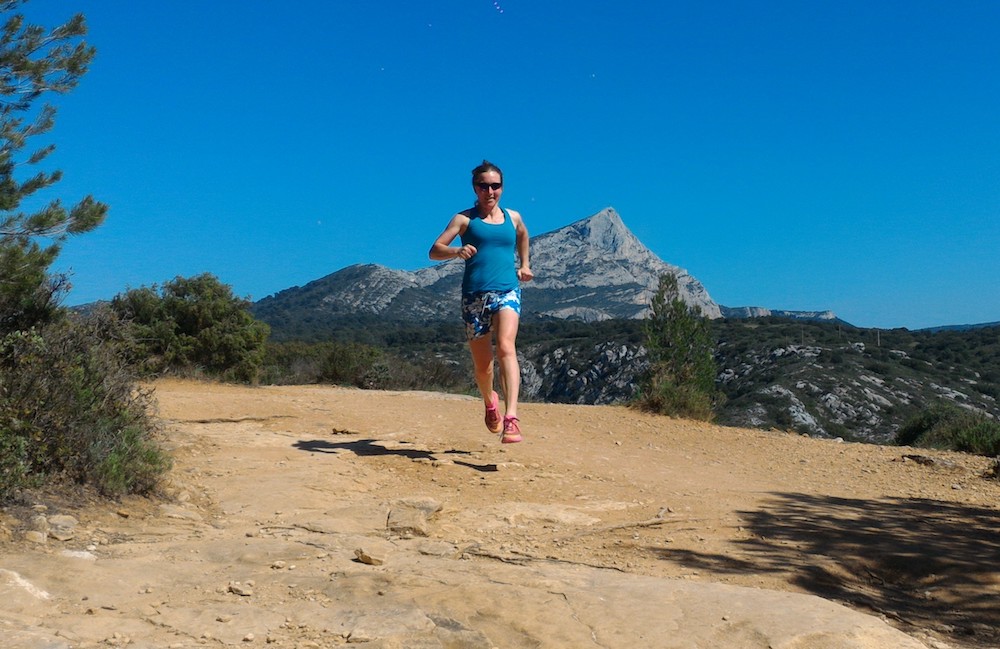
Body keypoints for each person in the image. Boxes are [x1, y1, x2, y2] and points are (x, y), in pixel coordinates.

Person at [429, 160, 533, 443]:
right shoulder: (463, 220)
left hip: (507, 292)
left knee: (506, 348)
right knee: (483, 366)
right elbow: (434, 251)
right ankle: (490, 402)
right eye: (484, 186)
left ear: (502, 187)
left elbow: (523, 234)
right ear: (475, 188)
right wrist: (456, 251)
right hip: (474, 297)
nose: (490, 191)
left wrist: (524, 264)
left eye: (495, 186)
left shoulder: (513, 218)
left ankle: (511, 418)